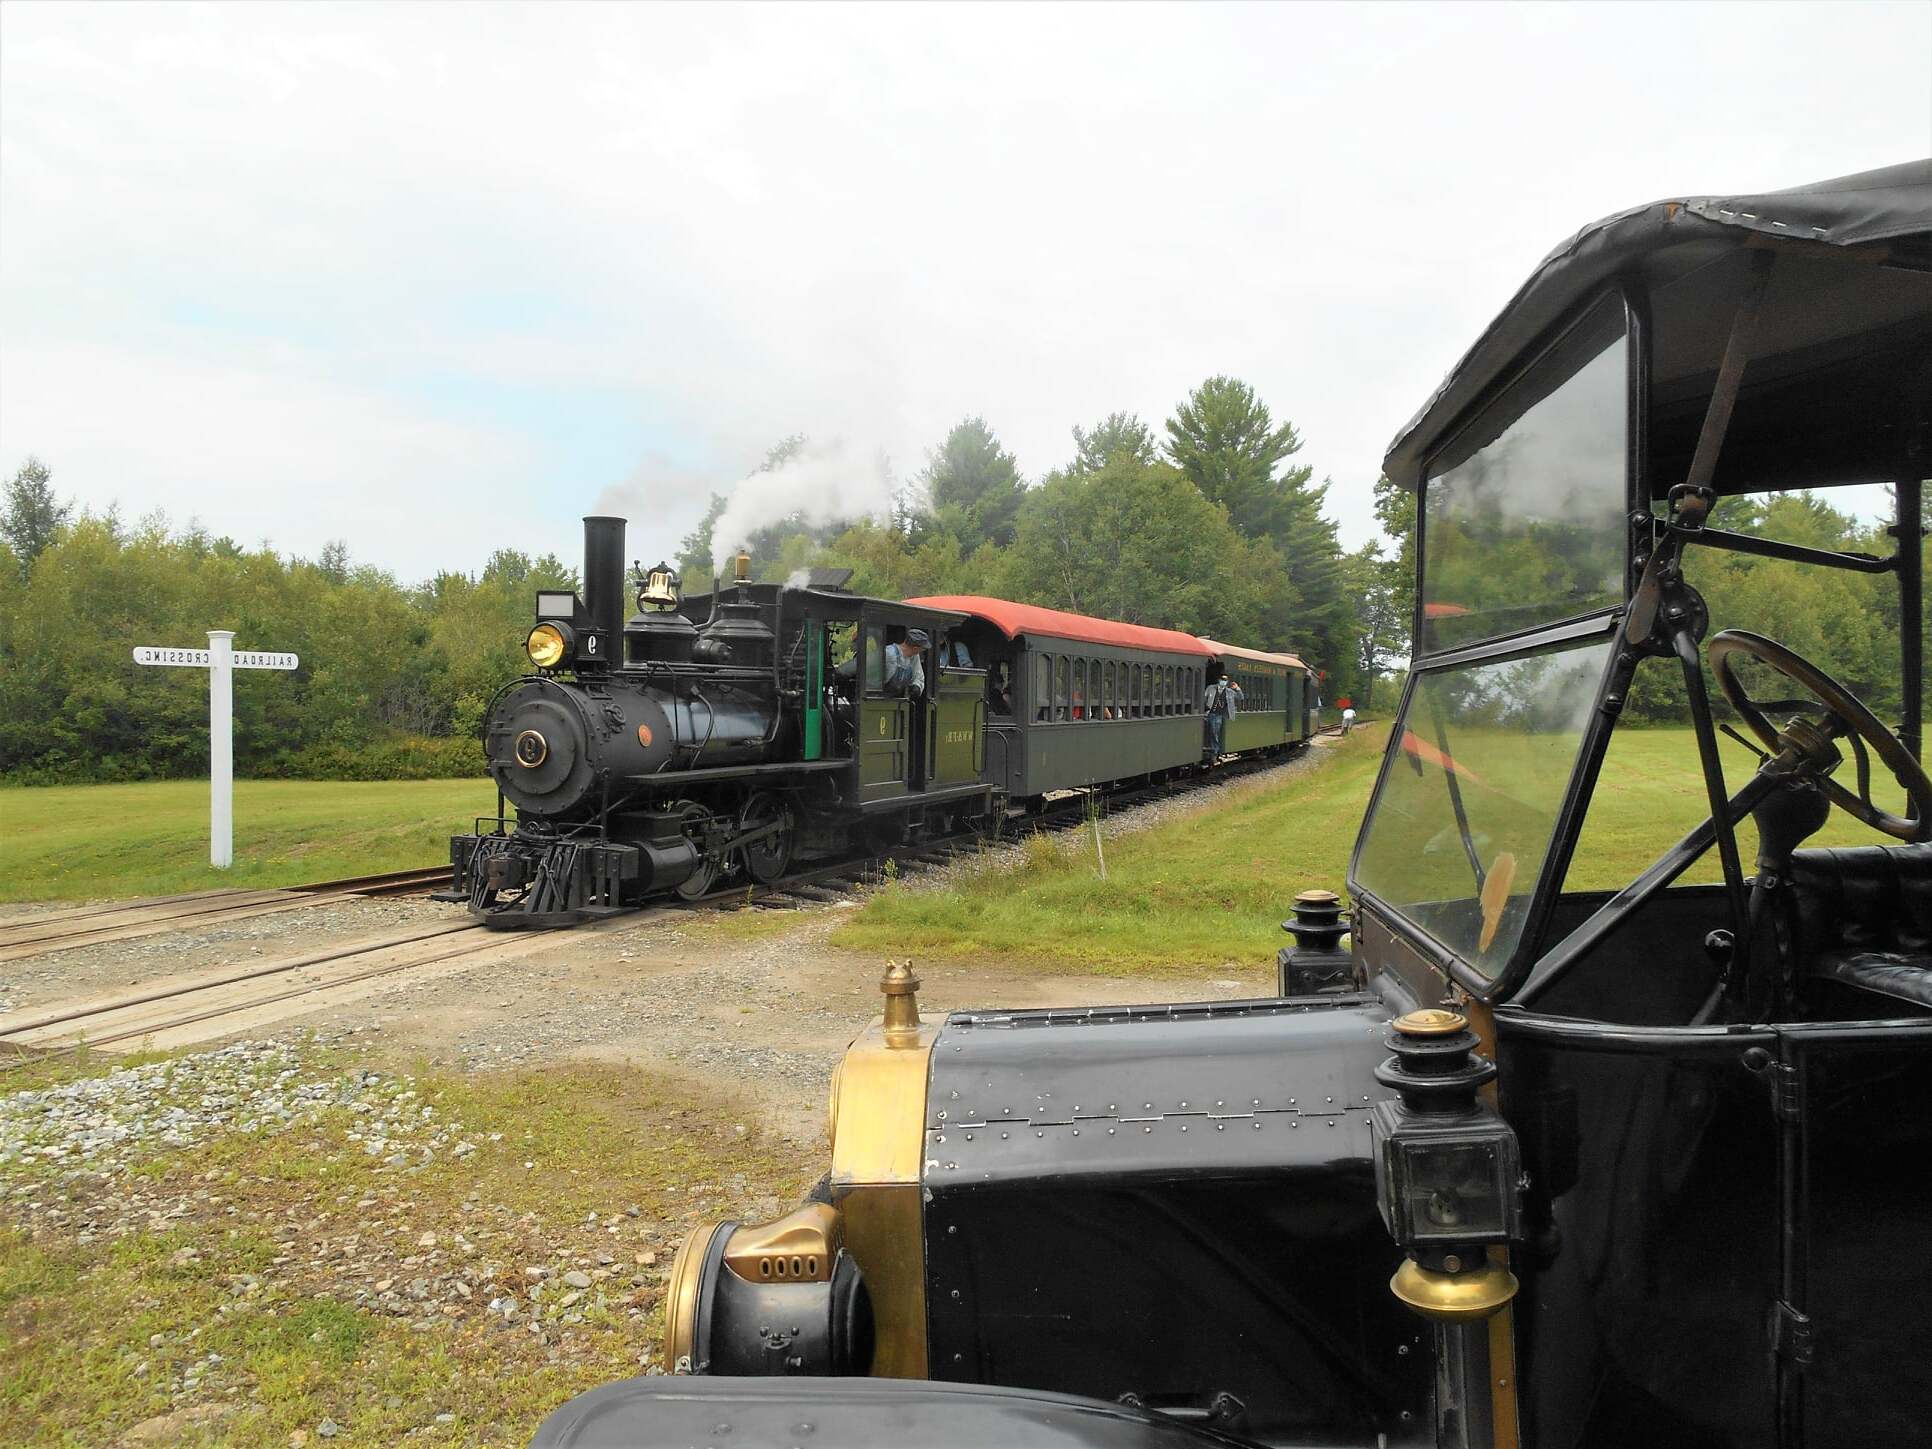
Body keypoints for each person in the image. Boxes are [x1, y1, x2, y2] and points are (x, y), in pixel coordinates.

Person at [1203, 672, 1241, 757]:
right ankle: (1211, 747)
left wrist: (1237, 688)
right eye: (1222, 679)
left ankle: (1215, 749)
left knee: (1214, 730)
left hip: (1219, 714)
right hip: (1209, 712)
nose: (1223, 681)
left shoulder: (1229, 692)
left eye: (1225, 680)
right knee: (1209, 730)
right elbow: (1204, 697)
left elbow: (1240, 697)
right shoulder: (1211, 688)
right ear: (1219, 680)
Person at [882, 629, 928, 698]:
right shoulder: (888, 654)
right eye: (923, 648)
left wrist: (917, 686)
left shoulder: (914, 656)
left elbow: (918, 677)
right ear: (915, 648)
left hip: (897, 701)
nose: (923, 651)